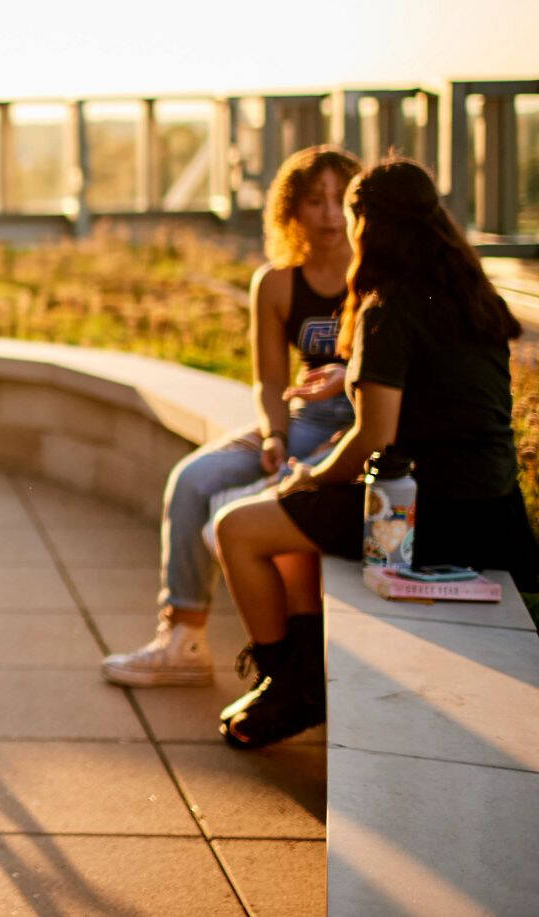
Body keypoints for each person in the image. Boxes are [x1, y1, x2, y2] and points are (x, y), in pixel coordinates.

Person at [212, 157, 539, 748]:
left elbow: (375, 439)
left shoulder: (389, 307)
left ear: (367, 226)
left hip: (421, 515)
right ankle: (304, 680)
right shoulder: (475, 296)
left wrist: (306, 476)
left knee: (239, 528)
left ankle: (287, 682)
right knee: (293, 536)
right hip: (494, 514)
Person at [100, 146, 362, 687]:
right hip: (302, 417)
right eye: (316, 202)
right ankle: (183, 639)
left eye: (341, 200)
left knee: (250, 508)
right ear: (293, 211)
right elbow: (270, 381)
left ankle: (292, 670)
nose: (332, 215)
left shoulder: (376, 275)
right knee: (193, 480)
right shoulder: (277, 283)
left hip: (357, 422)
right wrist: (274, 435)